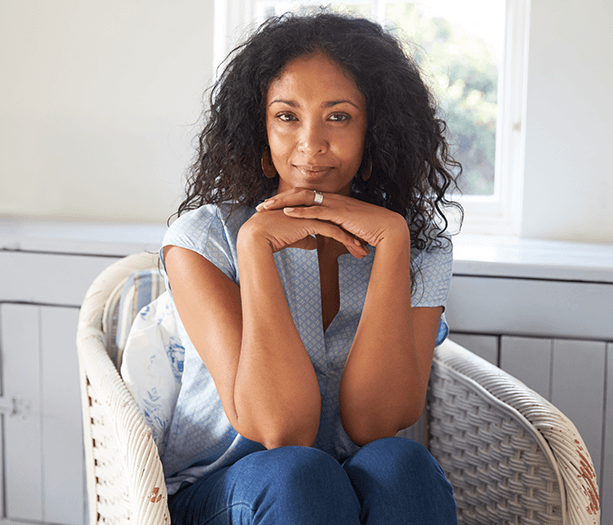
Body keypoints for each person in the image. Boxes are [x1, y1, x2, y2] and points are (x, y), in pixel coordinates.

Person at [159, 11, 462, 525]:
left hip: (345, 486)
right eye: (287, 115)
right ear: (261, 129)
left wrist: (391, 243)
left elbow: (376, 424)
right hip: (224, 491)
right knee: (301, 473)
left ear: (376, 130)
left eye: (338, 117)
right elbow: (281, 430)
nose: (311, 143)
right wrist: (255, 247)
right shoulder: (205, 240)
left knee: (403, 462)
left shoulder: (418, 248)